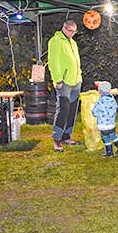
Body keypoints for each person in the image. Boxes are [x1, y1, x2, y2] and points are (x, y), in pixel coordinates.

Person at [48, 19, 82, 152]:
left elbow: (76, 61)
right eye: (70, 31)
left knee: (72, 110)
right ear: (64, 28)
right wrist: (58, 79)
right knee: (63, 110)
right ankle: (57, 139)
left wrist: (79, 75)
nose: (73, 34)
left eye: (75, 31)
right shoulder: (55, 41)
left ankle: (67, 136)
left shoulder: (73, 42)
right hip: (64, 82)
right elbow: (53, 62)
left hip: (76, 82)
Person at [92, 81, 118, 157]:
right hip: (111, 124)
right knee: (113, 135)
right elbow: (115, 108)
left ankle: (109, 152)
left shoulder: (100, 101)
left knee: (105, 137)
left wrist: (94, 113)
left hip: (103, 125)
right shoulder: (112, 99)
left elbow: (95, 111)